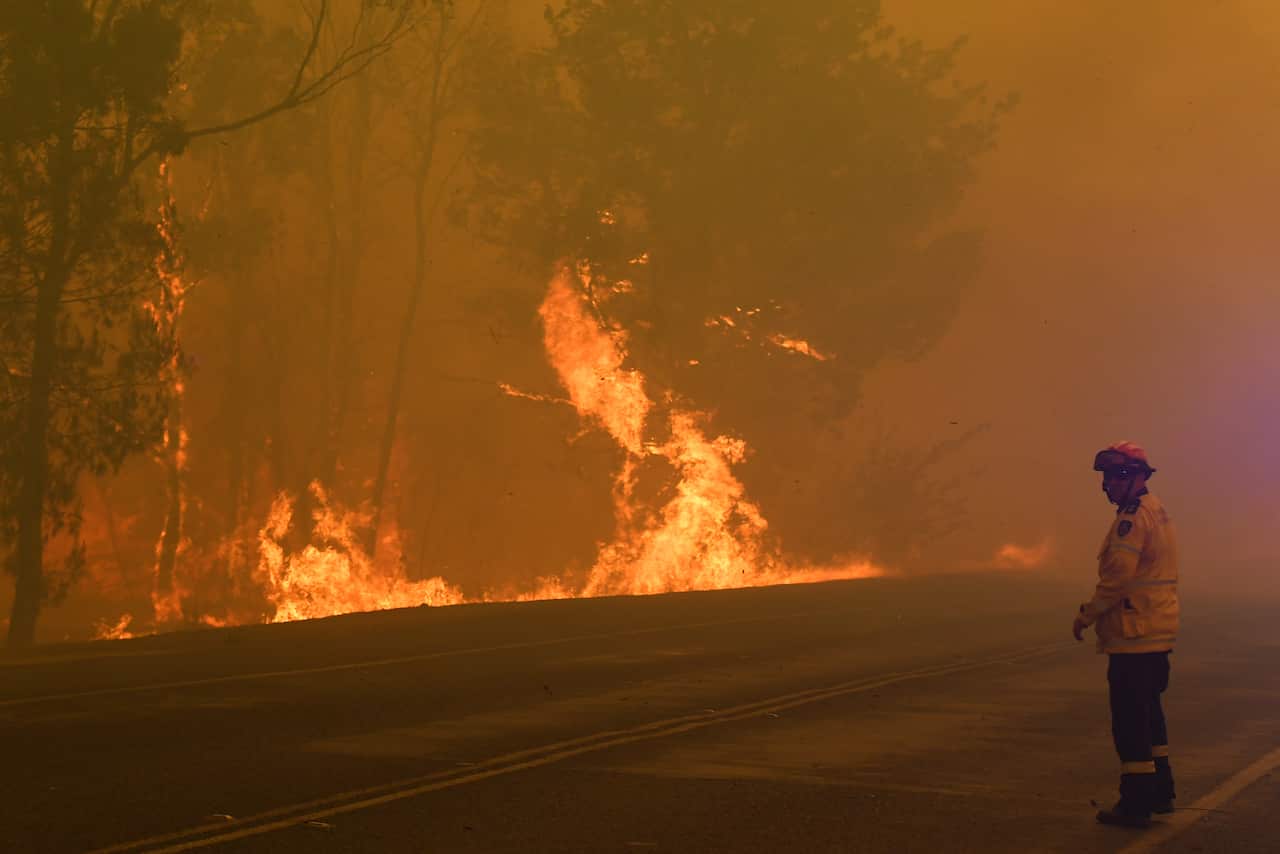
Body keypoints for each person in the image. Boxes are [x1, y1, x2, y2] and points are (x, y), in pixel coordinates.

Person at [1071, 440, 1179, 827]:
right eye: (1105, 478)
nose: (1106, 486)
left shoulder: (1131, 520)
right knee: (1151, 716)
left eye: (1113, 478)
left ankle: (1136, 803)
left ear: (1132, 478)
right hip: (1156, 632)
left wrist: (1087, 615)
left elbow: (1117, 579)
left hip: (1134, 634)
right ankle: (1161, 790)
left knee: (1130, 722)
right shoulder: (1156, 510)